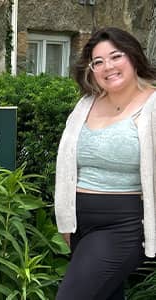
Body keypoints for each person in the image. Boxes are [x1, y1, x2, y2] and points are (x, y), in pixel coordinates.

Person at [54, 26, 156, 300]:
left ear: (133, 56)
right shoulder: (86, 104)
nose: (107, 66)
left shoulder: (153, 106)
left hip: (122, 227)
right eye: (98, 62)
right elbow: (67, 165)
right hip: (80, 226)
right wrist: (66, 219)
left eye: (115, 56)